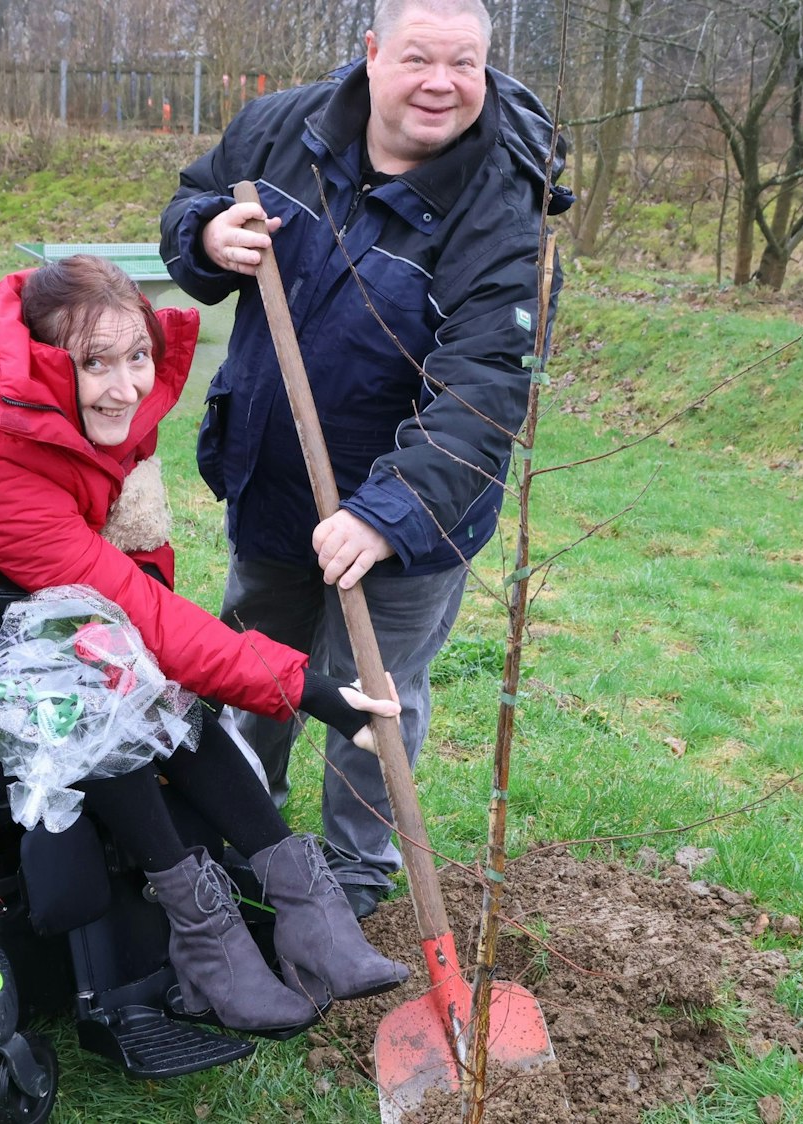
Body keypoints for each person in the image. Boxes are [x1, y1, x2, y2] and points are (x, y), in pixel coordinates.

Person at [0, 256, 408, 1033]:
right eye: (96, 362)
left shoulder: (59, 420)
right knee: (93, 677)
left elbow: (136, 598)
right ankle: (208, 946)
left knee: (150, 676)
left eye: (138, 357)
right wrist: (309, 690)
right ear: (42, 362)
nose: (127, 386)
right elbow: (133, 611)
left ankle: (308, 915)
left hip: (4, 615)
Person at [158, 0, 570, 917]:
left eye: (462, 63)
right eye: (419, 57)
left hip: (413, 509)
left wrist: (385, 516)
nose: (440, 82)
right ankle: (238, 836)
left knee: (370, 695)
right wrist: (204, 236)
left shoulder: (501, 200)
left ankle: (352, 878)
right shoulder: (281, 128)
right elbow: (194, 196)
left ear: (488, 66)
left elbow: (483, 387)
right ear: (373, 53)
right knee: (250, 665)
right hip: (274, 475)